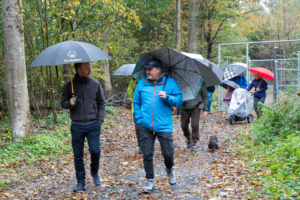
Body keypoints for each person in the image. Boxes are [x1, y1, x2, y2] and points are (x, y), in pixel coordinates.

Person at [133, 58, 183, 193]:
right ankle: (150, 181)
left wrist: (167, 97)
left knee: (168, 153)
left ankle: (170, 169)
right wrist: (139, 119)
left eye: (150, 69)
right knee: (147, 154)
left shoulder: (170, 83)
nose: (147, 72)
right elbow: (136, 102)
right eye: (146, 69)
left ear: (158, 70)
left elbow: (179, 101)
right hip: (145, 125)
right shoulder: (142, 84)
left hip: (164, 125)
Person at [61, 62, 106, 192]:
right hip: (77, 125)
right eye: (87, 68)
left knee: (95, 151)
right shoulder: (70, 85)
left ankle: (94, 172)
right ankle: (81, 182)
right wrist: (69, 103)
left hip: (93, 125)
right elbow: (63, 102)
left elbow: (102, 103)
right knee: (78, 155)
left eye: (90, 67)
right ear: (79, 70)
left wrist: (99, 121)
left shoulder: (96, 84)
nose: (89, 70)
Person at [181, 82, 208, 151]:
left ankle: (194, 143)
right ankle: (188, 138)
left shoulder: (201, 82)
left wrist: (205, 110)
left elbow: (205, 96)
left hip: (196, 106)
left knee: (195, 125)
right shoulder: (182, 81)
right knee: (183, 126)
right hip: (184, 106)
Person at [127, 77, 141, 153]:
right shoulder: (133, 80)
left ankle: (148, 144)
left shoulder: (149, 80)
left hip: (147, 108)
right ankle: (140, 146)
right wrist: (133, 89)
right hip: (136, 109)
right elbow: (130, 94)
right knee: (138, 128)